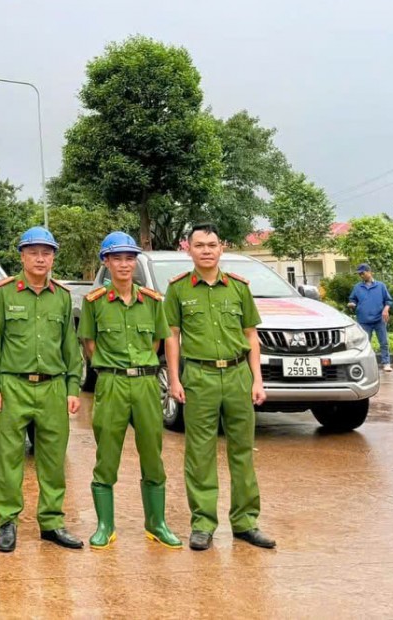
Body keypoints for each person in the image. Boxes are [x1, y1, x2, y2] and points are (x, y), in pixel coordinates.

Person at [163, 222, 275, 551]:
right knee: (200, 452)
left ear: (221, 247)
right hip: (199, 377)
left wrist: (257, 379)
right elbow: (172, 336)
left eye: (212, 245)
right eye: (200, 245)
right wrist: (174, 378)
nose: (207, 251)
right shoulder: (179, 289)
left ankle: (245, 521)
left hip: (238, 375)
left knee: (242, 450)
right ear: (189, 249)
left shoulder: (239, 287)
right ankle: (202, 523)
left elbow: (250, 335)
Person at [78, 232, 181, 551]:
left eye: (129, 258)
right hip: (111, 383)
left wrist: (139, 365)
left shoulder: (152, 301)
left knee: (153, 453)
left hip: (146, 383)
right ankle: (105, 525)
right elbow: (90, 344)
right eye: (117, 258)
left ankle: (156, 523)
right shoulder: (93, 302)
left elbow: (157, 342)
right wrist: (113, 368)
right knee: (106, 454)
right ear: (105, 263)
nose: (124, 264)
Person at [0, 226, 83, 553]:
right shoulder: (4, 293)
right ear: (22, 256)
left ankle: (52, 521)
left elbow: (70, 345)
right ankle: (7, 521)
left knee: (53, 459)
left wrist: (72, 386)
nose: (40, 259)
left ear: (53, 256)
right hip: (14, 385)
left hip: (53, 387)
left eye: (46, 252)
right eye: (33, 252)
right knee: (8, 458)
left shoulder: (63, 296)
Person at [347, 264, 393, 372]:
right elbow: (352, 299)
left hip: (379, 319)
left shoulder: (381, 286)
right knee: (365, 343)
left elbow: (388, 300)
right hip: (364, 320)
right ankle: (364, 365)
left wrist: (386, 309)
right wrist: (352, 304)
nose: (361, 276)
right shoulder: (357, 287)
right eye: (359, 274)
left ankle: (386, 363)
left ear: (369, 272)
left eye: (362, 273)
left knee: (384, 342)